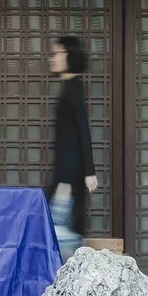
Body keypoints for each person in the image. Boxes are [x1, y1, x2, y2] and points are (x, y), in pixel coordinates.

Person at [48, 35, 97, 260]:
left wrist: (89, 172)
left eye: (57, 53)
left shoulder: (74, 88)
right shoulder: (69, 87)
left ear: (70, 56)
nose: (53, 58)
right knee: (59, 232)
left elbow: (83, 130)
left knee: (62, 235)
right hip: (64, 175)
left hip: (68, 177)